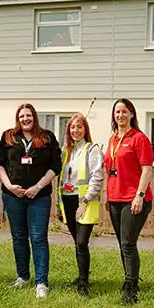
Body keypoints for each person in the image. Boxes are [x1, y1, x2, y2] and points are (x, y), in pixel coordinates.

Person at [0, 103, 61, 299]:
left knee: (39, 238)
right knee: (19, 237)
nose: (25, 119)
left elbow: (55, 166)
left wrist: (37, 187)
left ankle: (41, 282)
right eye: (22, 116)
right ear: (18, 118)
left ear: (35, 117)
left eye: (29, 115)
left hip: (38, 197)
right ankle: (22, 276)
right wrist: (9, 186)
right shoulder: (8, 136)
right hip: (13, 196)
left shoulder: (47, 137)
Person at [105, 98, 153, 305]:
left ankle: (132, 289)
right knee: (122, 243)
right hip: (114, 198)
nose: (120, 115)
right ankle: (128, 279)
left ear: (132, 114)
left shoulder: (139, 138)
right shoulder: (113, 139)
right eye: (117, 112)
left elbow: (147, 169)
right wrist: (107, 196)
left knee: (128, 244)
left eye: (125, 112)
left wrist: (139, 196)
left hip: (133, 199)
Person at [57, 113, 104, 296]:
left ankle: (84, 282)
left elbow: (97, 177)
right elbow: (61, 179)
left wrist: (85, 202)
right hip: (67, 200)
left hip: (84, 201)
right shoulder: (66, 151)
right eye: (72, 127)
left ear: (85, 129)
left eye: (79, 127)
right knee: (77, 242)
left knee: (82, 242)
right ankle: (81, 275)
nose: (75, 130)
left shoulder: (92, 149)